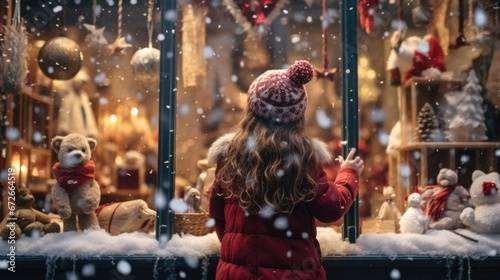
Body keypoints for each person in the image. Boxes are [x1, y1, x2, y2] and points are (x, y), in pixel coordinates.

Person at [208, 60, 364, 279]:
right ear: (298, 116)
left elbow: (217, 212)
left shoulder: (232, 156)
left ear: (251, 110)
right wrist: (349, 173)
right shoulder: (302, 159)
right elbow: (330, 208)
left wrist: (237, 245)